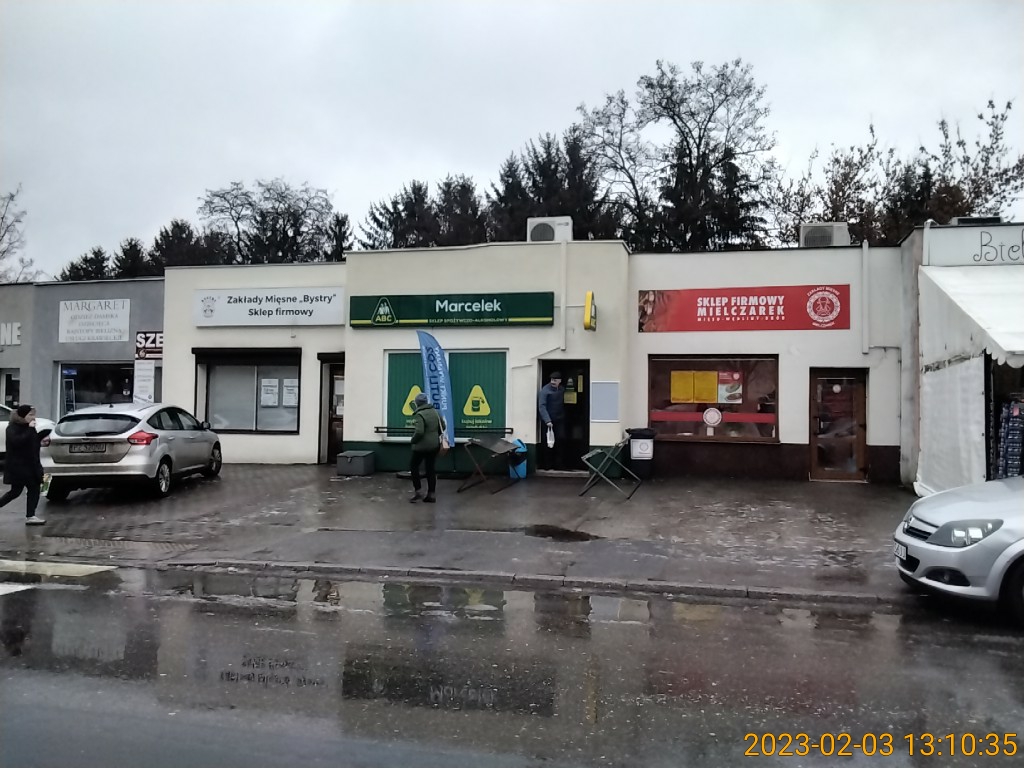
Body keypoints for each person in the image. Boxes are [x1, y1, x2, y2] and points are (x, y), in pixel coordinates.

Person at [1, 404, 47, 525]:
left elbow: (32, 443)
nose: (33, 418)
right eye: (30, 415)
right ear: (22, 415)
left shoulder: (28, 427)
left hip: (30, 465)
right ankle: (30, 516)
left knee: (33, 489)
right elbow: (17, 441)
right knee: (16, 491)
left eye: (34, 415)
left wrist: (41, 439)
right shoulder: (12, 428)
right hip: (18, 466)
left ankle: (31, 515)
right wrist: (30, 430)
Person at [409, 393, 442, 503]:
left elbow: (419, 431)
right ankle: (431, 494)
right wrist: (434, 436)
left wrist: (413, 440)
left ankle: (418, 491)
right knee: (430, 469)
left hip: (421, 446)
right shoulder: (435, 412)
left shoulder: (420, 414)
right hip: (434, 445)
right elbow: (443, 426)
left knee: (414, 466)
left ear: (417, 403)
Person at [538, 372, 566, 470]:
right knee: (548, 442)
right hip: (549, 421)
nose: (553, 382)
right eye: (551, 380)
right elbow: (542, 406)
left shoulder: (562, 389)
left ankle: (559, 464)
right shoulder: (545, 390)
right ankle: (547, 465)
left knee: (560, 440)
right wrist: (547, 420)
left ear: (560, 381)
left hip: (559, 419)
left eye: (555, 380)